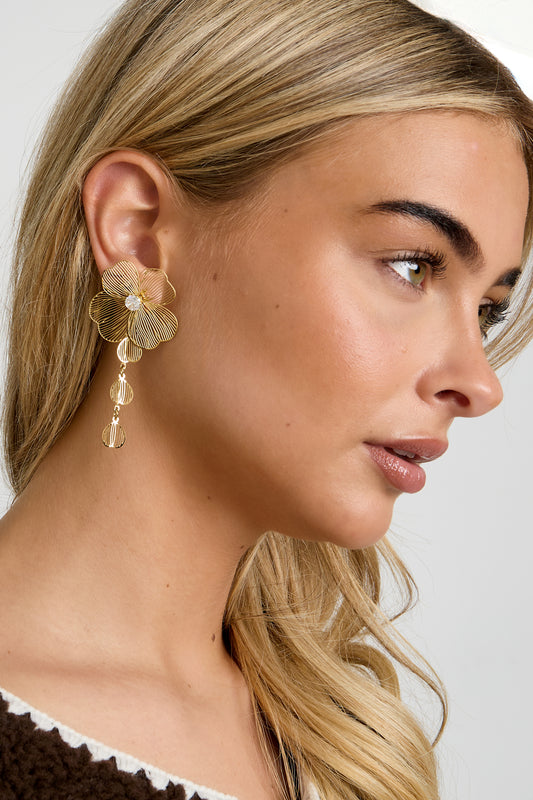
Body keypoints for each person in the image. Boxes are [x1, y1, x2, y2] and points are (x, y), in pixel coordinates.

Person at [0, 0, 531, 798]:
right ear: (137, 231)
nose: (479, 382)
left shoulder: (337, 743)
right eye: (412, 266)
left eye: (487, 310)